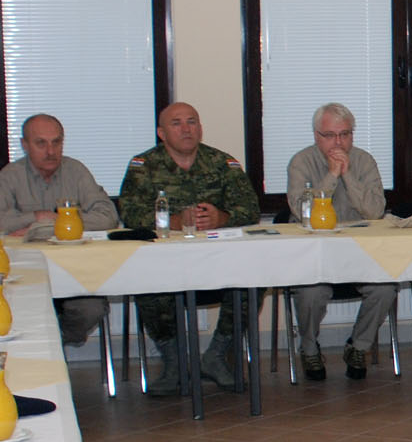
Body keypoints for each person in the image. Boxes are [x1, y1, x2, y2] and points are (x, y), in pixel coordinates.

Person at [119, 102, 262, 395]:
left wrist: (222, 218)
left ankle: (216, 355)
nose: (186, 129)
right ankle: (175, 361)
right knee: (144, 283)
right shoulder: (143, 167)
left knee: (256, 280)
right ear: (161, 133)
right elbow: (130, 214)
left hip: (216, 260)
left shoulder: (222, 163)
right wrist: (171, 221)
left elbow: (250, 209)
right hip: (164, 263)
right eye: (176, 123)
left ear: (200, 128)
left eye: (192, 122)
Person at [284, 104, 397, 382]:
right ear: (316, 135)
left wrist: (347, 174)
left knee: (385, 287)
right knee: (311, 293)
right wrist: (332, 176)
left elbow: (375, 211)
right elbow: (304, 212)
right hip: (315, 255)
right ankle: (309, 349)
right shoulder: (301, 162)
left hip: (359, 252)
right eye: (330, 135)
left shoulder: (364, 161)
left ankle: (358, 347)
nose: (338, 143)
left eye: (345, 134)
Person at [0, 114, 119, 345]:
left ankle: (57, 342)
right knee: (18, 310)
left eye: (56, 142)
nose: (50, 151)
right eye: (41, 143)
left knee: (91, 309)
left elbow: (108, 216)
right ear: (24, 145)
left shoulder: (76, 171)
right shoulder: (10, 176)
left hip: (75, 271)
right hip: (25, 274)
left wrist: (48, 223)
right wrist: (36, 216)